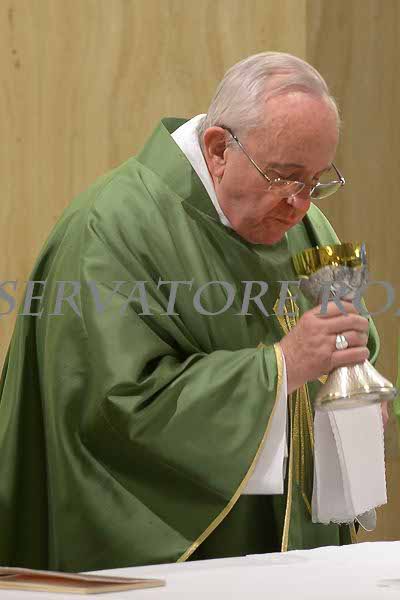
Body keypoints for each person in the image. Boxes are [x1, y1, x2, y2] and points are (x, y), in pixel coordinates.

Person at [0, 52, 381, 572]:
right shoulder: (110, 230)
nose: (300, 204)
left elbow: (350, 342)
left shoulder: (305, 223)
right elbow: (116, 407)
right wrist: (281, 367)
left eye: (317, 181)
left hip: (297, 546)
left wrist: (357, 383)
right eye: (285, 176)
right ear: (219, 149)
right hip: (174, 558)